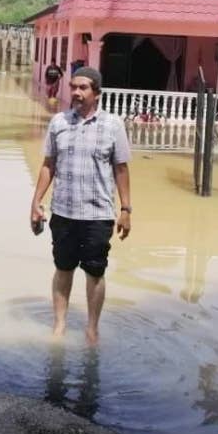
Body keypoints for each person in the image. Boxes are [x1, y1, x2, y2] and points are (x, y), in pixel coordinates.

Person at [29, 66, 132, 345]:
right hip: (63, 212)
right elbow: (48, 165)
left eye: (83, 87)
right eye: (73, 86)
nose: (75, 92)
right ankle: (60, 326)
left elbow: (121, 169)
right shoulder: (59, 122)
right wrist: (36, 202)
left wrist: (126, 210)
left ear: (97, 93)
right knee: (63, 268)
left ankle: (92, 329)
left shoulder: (113, 125)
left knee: (95, 272)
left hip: (98, 214)